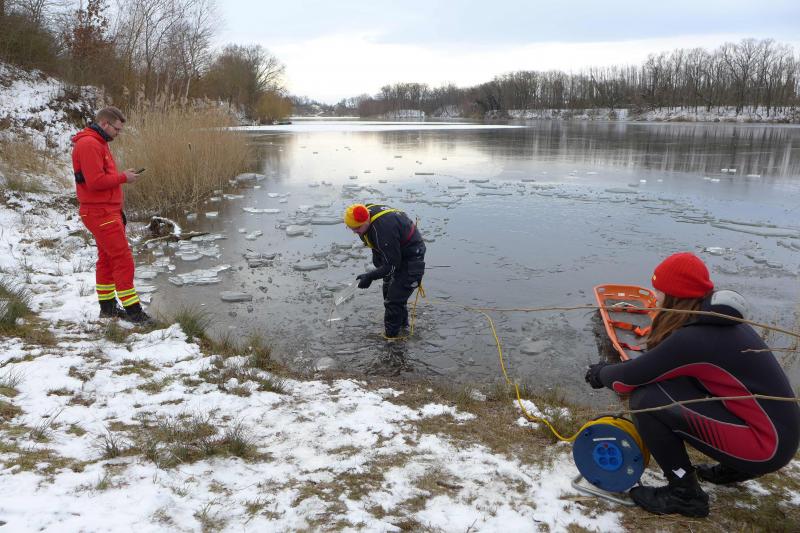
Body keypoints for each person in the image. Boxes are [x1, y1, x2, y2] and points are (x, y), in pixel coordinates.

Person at [585, 252, 800, 518]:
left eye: (659, 291)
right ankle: (736, 467)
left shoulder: (693, 338)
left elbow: (625, 381)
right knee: (674, 382)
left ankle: (684, 494)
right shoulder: (717, 320)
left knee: (646, 400)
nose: (655, 297)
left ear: (674, 296)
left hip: (765, 446)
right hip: (780, 435)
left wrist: (600, 373)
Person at [71, 106, 152, 324]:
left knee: (107, 259)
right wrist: (123, 177)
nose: (118, 133)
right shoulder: (89, 144)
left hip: (106, 211)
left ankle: (108, 309)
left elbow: (100, 178)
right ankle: (134, 312)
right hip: (100, 213)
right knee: (122, 259)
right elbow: (95, 182)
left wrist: (121, 180)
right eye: (116, 129)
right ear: (104, 124)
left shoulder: (99, 143)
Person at [343, 203, 426, 339]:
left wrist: (370, 276)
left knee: (393, 301)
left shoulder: (383, 229)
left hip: (411, 257)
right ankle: (403, 328)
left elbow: (391, 266)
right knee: (388, 293)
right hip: (395, 253)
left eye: (357, 228)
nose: (355, 232)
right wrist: (379, 266)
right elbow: (378, 248)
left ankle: (391, 340)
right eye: (351, 228)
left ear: (367, 220)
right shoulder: (366, 213)